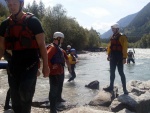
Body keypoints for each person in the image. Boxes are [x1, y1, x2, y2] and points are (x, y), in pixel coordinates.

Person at [0, 0, 50, 113]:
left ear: (21, 4)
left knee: (25, 92)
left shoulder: (33, 22)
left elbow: (42, 45)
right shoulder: (5, 25)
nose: (11, 7)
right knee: (15, 99)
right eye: (9, 5)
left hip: (30, 64)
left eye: (14, 4)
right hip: (13, 64)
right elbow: (1, 48)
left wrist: (45, 66)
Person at [47, 32, 71, 113]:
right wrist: (50, 67)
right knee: (53, 91)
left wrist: (68, 68)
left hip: (59, 71)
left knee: (57, 88)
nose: (62, 40)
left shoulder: (59, 48)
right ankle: (52, 109)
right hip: (54, 73)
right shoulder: (53, 48)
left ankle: (54, 106)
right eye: (62, 38)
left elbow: (66, 59)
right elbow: (46, 58)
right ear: (58, 38)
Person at [103, 23, 128, 95]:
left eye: (113, 29)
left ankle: (125, 89)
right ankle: (111, 87)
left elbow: (125, 47)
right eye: (112, 29)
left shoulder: (122, 37)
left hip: (120, 57)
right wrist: (108, 55)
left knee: (121, 73)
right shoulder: (112, 36)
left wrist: (124, 58)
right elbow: (110, 46)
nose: (112, 30)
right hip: (113, 57)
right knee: (112, 72)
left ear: (117, 29)